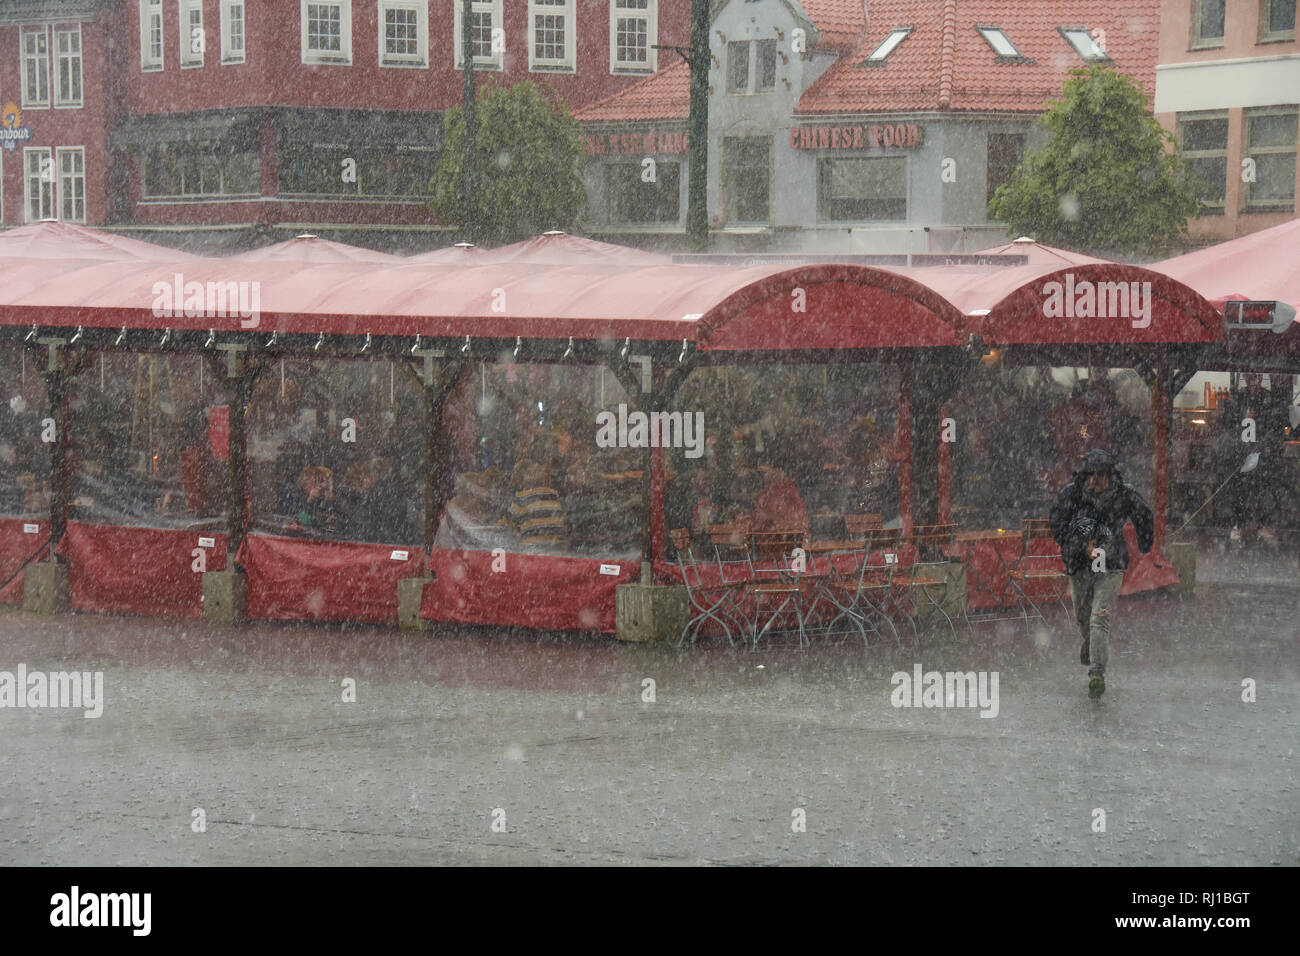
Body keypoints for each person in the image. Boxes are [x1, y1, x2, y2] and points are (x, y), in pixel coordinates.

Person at [1049, 448, 1154, 699]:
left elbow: (1144, 515)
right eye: (1090, 478)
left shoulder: (1124, 494)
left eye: (1099, 478)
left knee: (1099, 619)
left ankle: (1097, 673)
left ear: (1109, 476)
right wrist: (1079, 546)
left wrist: (1145, 542)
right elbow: (1058, 524)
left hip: (1111, 563)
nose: (1094, 483)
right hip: (1080, 564)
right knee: (1083, 616)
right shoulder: (1072, 494)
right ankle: (1090, 642)